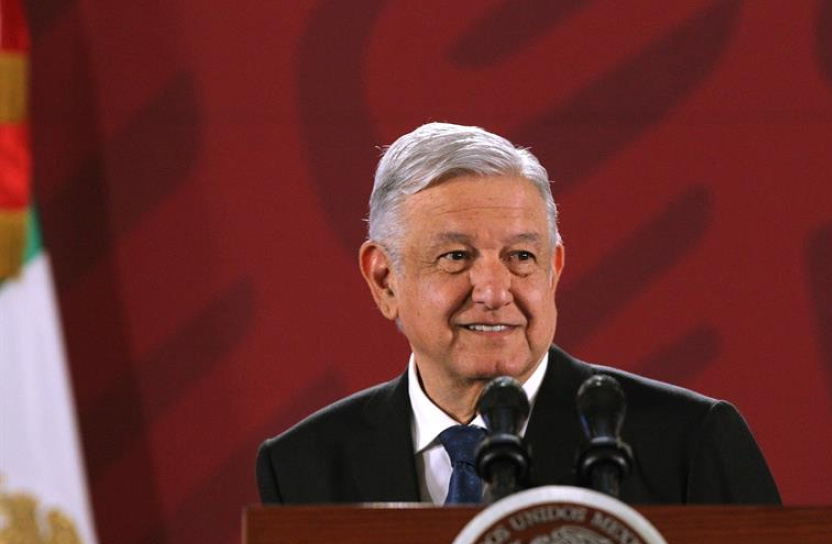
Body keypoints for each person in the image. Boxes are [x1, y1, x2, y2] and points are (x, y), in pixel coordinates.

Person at [256, 123, 780, 505]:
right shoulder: (304, 466)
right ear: (384, 279)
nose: (493, 291)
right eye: (455, 256)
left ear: (553, 270)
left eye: (521, 257)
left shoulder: (687, 442)